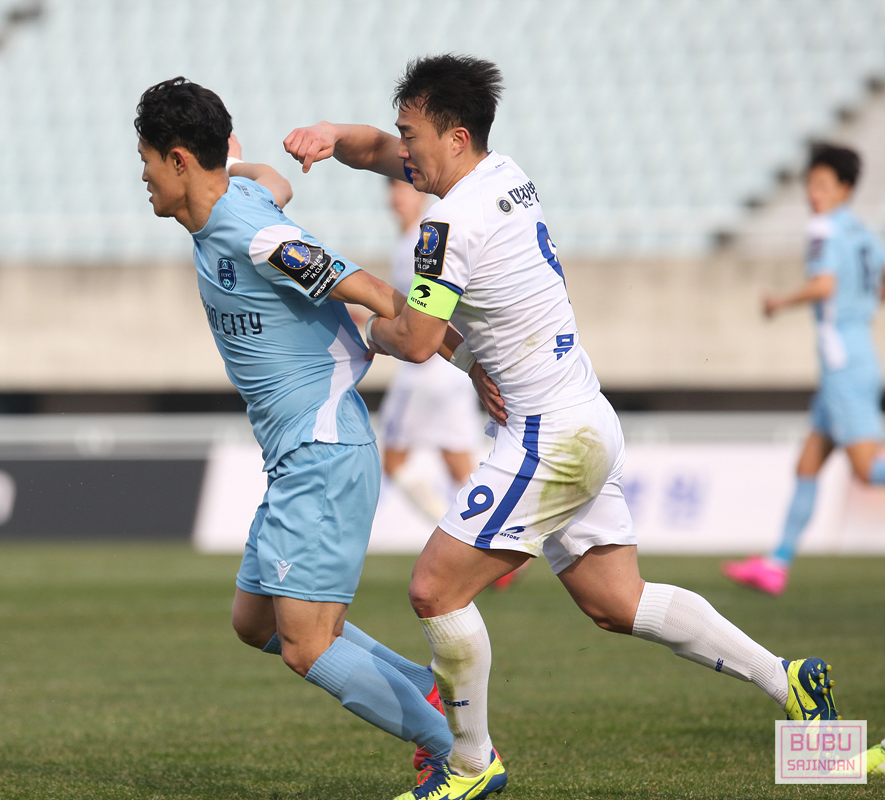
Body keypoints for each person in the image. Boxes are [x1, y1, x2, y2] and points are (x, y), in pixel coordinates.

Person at [284, 54, 844, 800]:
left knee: (434, 590)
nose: (402, 149)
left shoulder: (446, 221)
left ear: (454, 137)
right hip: (585, 415)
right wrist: (334, 135)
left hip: (547, 435)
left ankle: (471, 765)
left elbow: (415, 340)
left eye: (411, 134)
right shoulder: (503, 172)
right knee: (617, 602)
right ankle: (788, 680)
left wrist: (364, 325)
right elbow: (380, 152)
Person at [134, 76, 465, 777]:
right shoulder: (238, 202)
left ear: (179, 161)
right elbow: (274, 181)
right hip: (296, 455)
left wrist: (468, 358)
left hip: (323, 450)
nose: (143, 177)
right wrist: (239, 164)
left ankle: (459, 751)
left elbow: (375, 290)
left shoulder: (256, 235)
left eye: (148, 160)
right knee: (254, 622)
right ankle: (424, 689)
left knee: (307, 645)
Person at [723, 143, 885, 596]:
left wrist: (779, 302)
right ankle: (777, 563)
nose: (814, 194)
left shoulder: (823, 228)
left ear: (845, 188)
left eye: (823, 185)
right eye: (811, 184)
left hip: (841, 362)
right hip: (858, 352)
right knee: (808, 463)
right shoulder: (864, 234)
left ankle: (777, 562)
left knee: (867, 470)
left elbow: (825, 284)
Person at [378, 178, 484, 522]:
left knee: (393, 461)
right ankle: (489, 534)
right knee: (460, 466)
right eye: (392, 188)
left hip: (423, 370)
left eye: (403, 188)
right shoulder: (410, 241)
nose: (397, 196)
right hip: (453, 370)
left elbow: (421, 313)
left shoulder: (421, 243)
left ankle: (446, 529)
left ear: (420, 195)